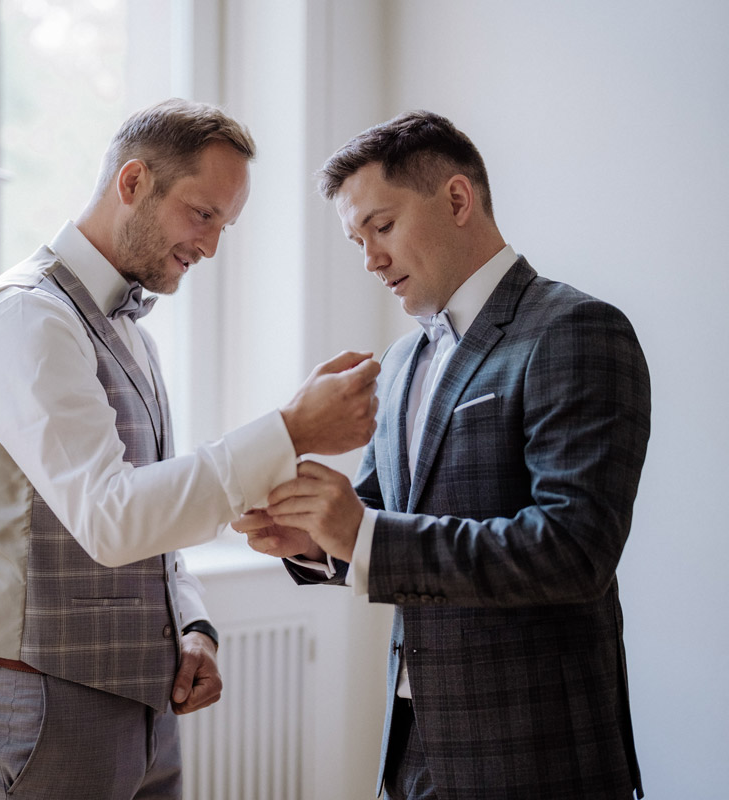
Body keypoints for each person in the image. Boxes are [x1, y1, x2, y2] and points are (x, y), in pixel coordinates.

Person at [0, 97, 380, 799]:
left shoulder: (134, 336)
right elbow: (111, 519)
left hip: (146, 712)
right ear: (133, 182)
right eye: (201, 214)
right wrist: (291, 430)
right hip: (42, 711)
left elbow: (153, 514)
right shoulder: (27, 316)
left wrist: (193, 624)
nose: (209, 246)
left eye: (224, 226)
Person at [234, 110, 650, 800]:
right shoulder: (401, 360)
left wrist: (362, 534)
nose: (369, 258)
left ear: (457, 199)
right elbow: (380, 519)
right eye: (355, 239)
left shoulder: (577, 330)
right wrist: (313, 540)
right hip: (416, 750)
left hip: (537, 755)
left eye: (382, 226)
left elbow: (575, 551)